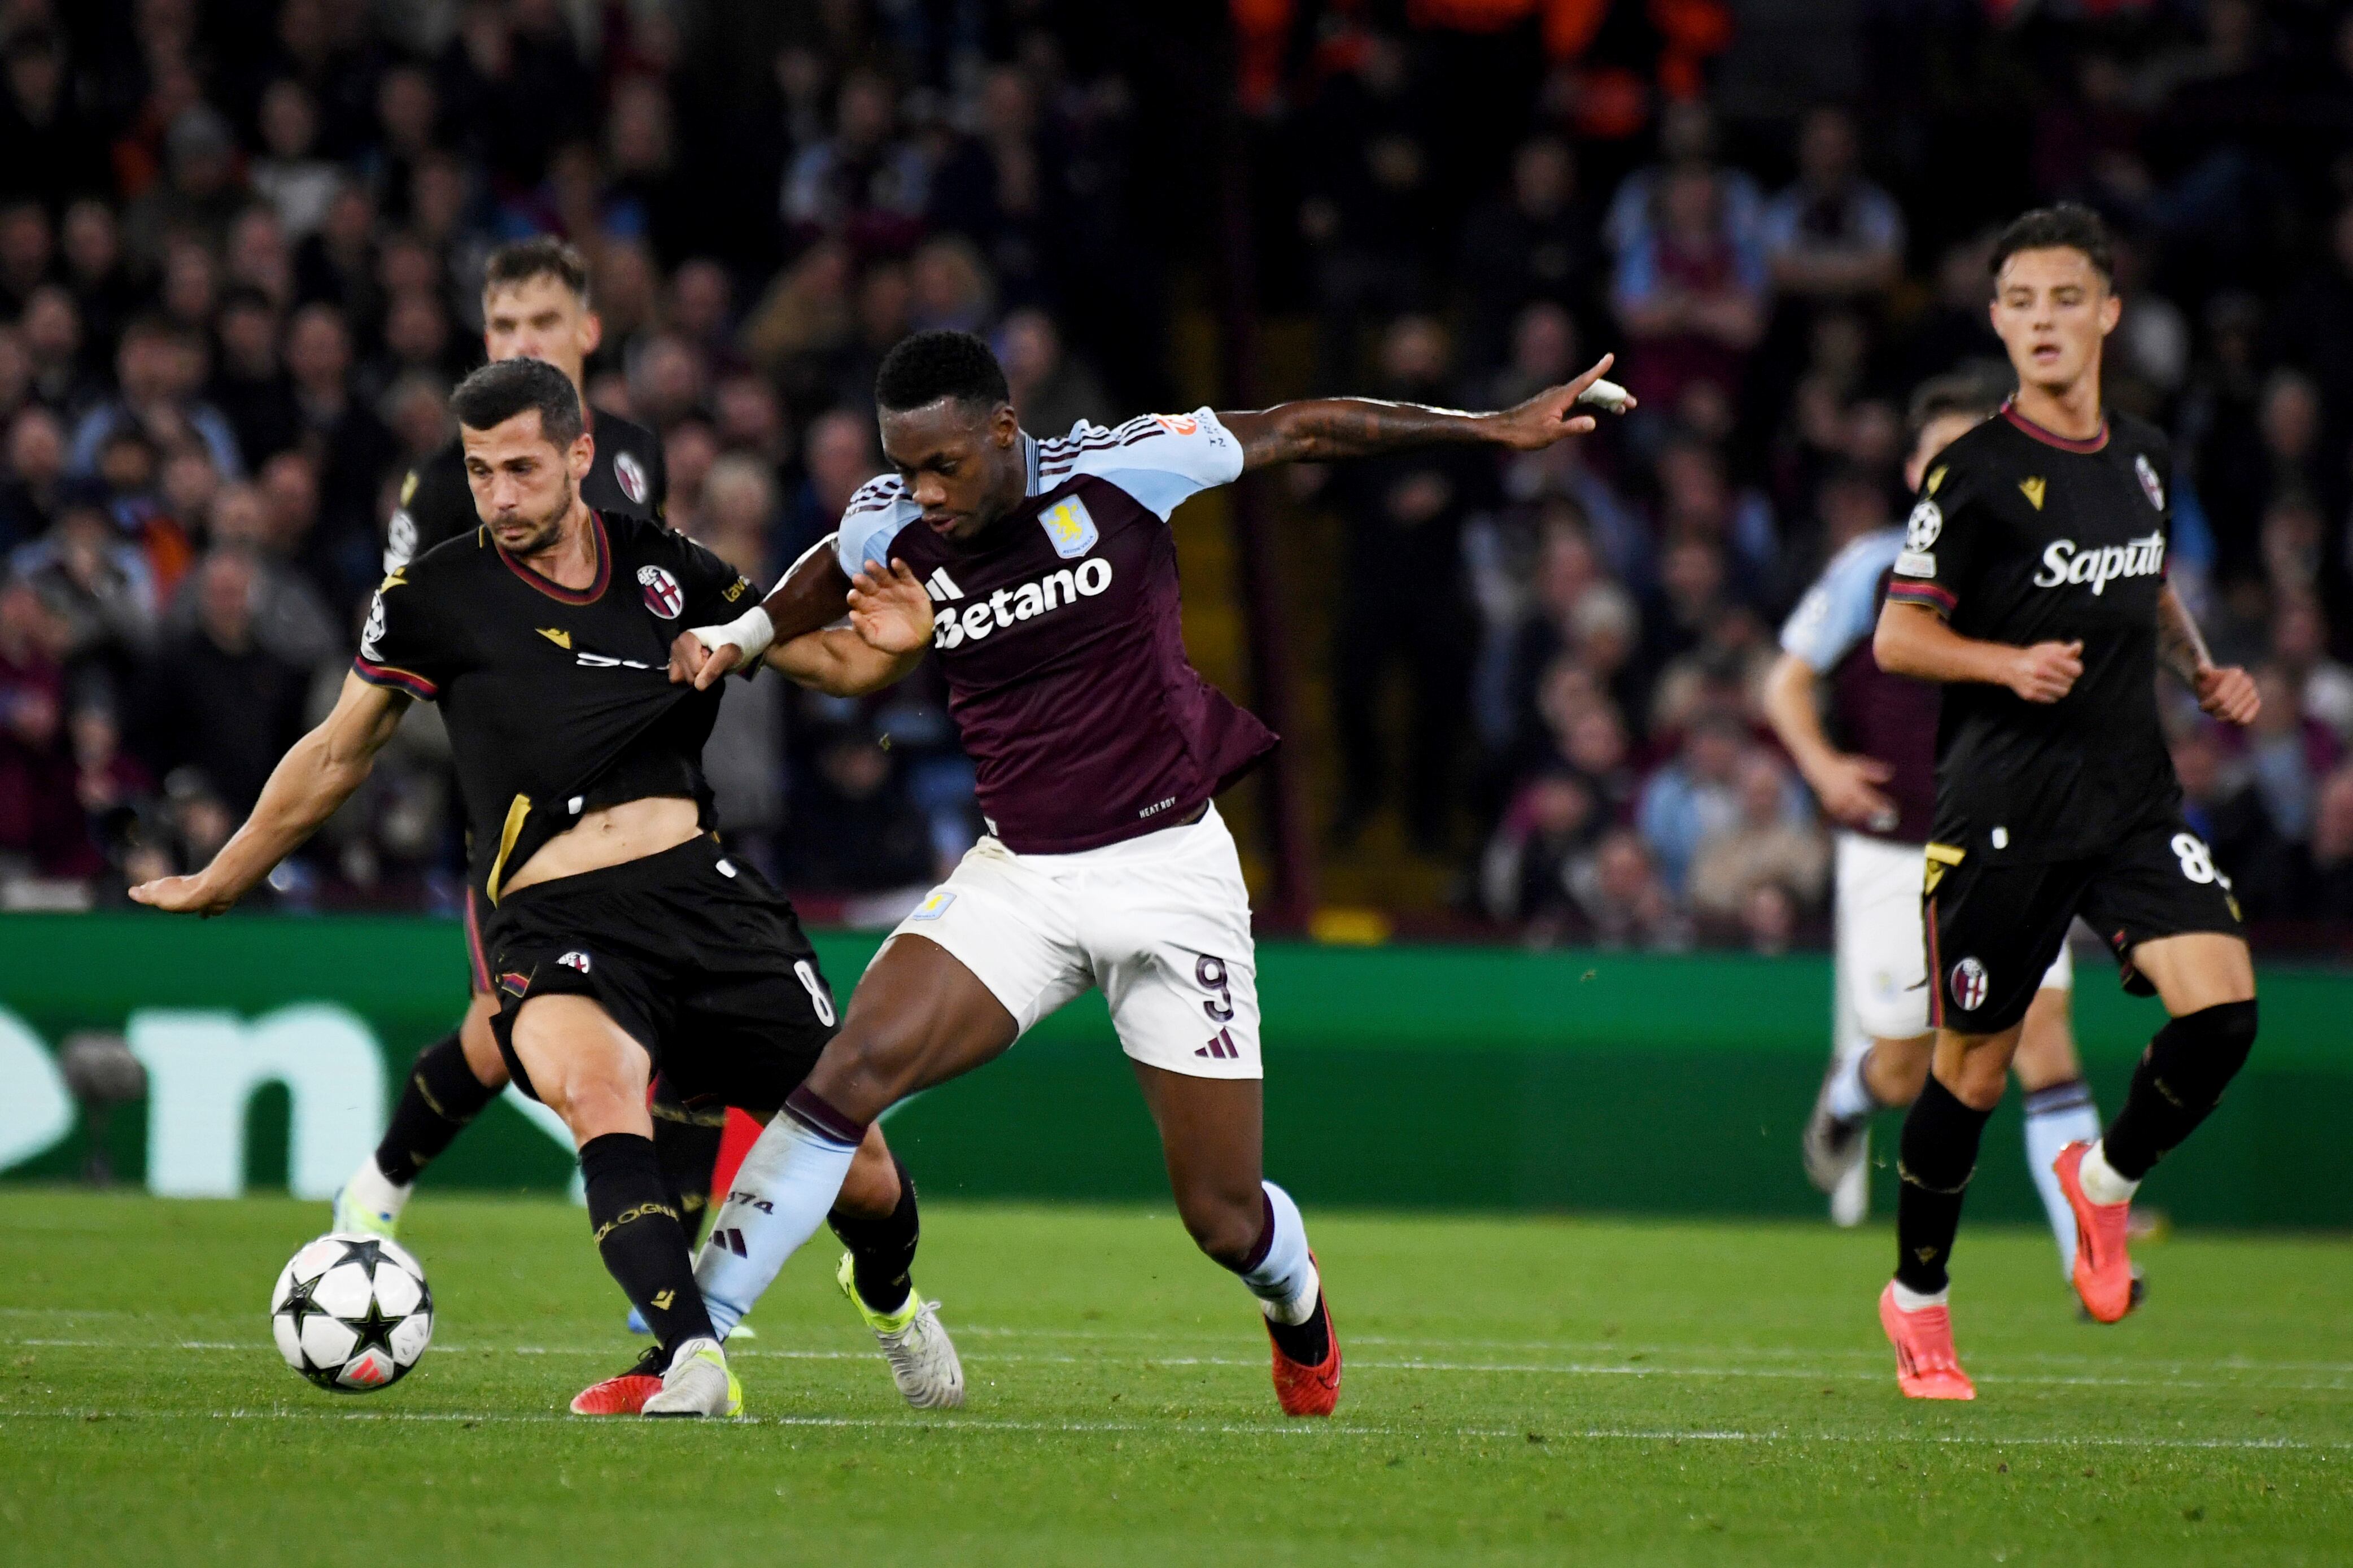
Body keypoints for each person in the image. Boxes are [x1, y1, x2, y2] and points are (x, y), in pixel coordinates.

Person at [662, 329, 1632, 1418]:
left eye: (947, 465)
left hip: (1172, 873)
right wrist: (742, 633)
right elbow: (825, 575)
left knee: (1224, 1218)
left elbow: (1302, 429)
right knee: (842, 1079)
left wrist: (1489, 425)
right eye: (906, 467)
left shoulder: (1124, 467)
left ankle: (1298, 1300)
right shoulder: (890, 520)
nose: (925, 493)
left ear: (1004, 431)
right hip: (1020, 877)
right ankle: (690, 1352)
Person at [129, 360, 962, 1419]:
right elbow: (338, 751)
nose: (500, 496)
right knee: (597, 1093)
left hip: (704, 895)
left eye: (522, 468)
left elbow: (826, 663)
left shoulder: (668, 567)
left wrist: (894, 650)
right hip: (555, 916)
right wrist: (225, 874)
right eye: (479, 473)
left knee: (870, 1175)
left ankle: (886, 1297)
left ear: (579, 455)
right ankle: (695, 1358)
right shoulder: (431, 596)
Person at [1869, 206, 2261, 1400]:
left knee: (2222, 1017)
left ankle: (2100, 1183)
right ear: (1996, 321)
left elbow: (2145, 582)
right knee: (1970, 1076)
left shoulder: (2139, 452)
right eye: (2019, 303)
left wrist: (2193, 665)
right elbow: (1897, 634)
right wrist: (2000, 665)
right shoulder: (1973, 470)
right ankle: (1918, 1300)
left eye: (2062, 300)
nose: (2041, 322)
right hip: (1999, 813)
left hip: (2129, 797)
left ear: (2104, 313)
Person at [345, 238, 709, 1328]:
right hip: (523, 818)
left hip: (646, 798)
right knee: (504, 1032)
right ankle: (379, 1183)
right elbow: (403, 647)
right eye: (502, 328)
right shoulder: (446, 488)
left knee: (687, 1036)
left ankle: (664, 1297)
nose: (519, 344)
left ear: (587, 334)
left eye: (541, 325)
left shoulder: (637, 454)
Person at [1771, 371, 2112, 1277]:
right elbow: (1784, 680)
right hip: (1894, 847)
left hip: (2010, 842)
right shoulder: (1871, 566)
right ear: (1916, 466)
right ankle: (1849, 1095)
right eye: (1947, 454)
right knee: (1907, 1065)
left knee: (2039, 1035)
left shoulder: (2043, 569)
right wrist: (1823, 765)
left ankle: (2092, 1255)